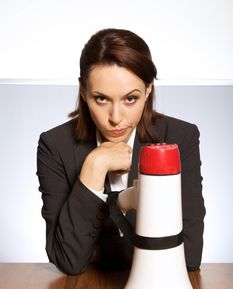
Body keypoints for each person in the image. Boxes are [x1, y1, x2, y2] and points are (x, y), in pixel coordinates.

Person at [37, 28, 206, 275]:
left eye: (130, 99)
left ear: (148, 90)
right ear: (83, 92)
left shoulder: (180, 138)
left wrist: (102, 251)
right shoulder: (54, 146)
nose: (116, 118)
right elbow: (68, 260)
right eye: (101, 99)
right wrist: (94, 167)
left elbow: (189, 256)